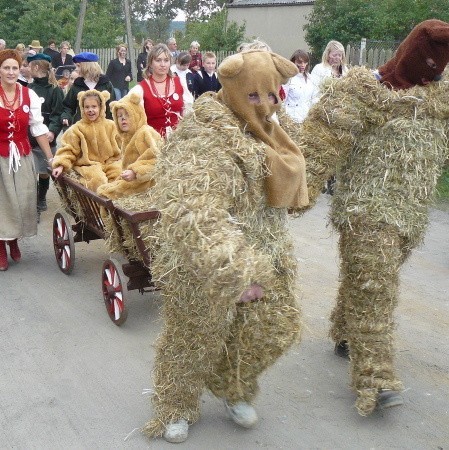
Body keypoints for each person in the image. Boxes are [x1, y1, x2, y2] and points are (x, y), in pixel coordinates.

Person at [142, 49, 308, 443]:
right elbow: (194, 211)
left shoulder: (272, 128)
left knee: (275, 327)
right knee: (194, 337)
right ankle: (176, 404)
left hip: (266, 248)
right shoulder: (204, 138)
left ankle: (234, 387)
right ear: (231, 88)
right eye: (253, 96)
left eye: (270, 96)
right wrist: (238, 270)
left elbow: (307, 162)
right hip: (207, 260)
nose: (265, 106)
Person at [297, 19, 449, 416]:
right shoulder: (363, 91)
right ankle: (375, 378)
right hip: (366, 210)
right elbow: (319, 142)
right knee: (374, 284)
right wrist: (300, 190)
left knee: (371, 282)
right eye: (427, 64)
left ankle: (346, 331)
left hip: (410, 216)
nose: (432, 75)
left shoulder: (438, 101)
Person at [0, 49, 53, 271]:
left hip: (21, 155)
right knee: (2, 203)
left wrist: (50, 158)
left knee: (22, 200)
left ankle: (13, 239)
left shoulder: (28, 95)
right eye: (6, 67)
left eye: (14, 67)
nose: (11, 72)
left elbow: (38, 128)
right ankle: (2, 246)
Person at [52, 90, 121, 191]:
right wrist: (61, 165)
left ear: (101, 107)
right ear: (82, 108)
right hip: (88, 165)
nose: (90, 110)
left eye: (94, 106)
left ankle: (114, 205)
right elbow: (68, 149)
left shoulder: (111, 125)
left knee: (119, 175)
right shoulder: (76, 129)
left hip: (110, 162)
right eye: (87, 107)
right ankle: (98, 206)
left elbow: (123, 144)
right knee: (98, 180)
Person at [97, 93, 162, 199]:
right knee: (103, 189)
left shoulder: (145, 133)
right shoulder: (126, 138)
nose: (123, 119)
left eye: (127, 115)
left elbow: (157, 161)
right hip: (133, 181)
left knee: (107, 194)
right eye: (119, 116)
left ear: (136, 114)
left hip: (147, 183)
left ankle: (107, 215)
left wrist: (135, 172)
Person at [27, 53, 64, 216]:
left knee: (44, 170)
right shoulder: (29, 89)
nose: (27, 69)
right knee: (30, 172)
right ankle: (32, 203)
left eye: (29, 66)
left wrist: (53, 131)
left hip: (47, 136)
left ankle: (41, 198)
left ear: (35, 67)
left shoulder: (55, 90)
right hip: (30, 138)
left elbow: (58, 113)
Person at [127, 43, 184, 137]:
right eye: (158, 60)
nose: (163, 64)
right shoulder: (140, 89)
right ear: (150, 63)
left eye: (166, 60)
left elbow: (187, 113)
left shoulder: (179, 83)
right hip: (153, 144)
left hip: (178, 144)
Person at [61, 52, 115, 125]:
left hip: (102, 128)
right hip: (82, 127)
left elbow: (112, 106)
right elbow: (68, 106)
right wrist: (66, 117)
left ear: (87, 66)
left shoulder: (106, 84)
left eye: (78, 66)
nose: (76, 69)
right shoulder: (77, 85)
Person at [282, 49, 314, 123]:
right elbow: (283, 100)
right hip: (291, 119)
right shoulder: (288, 78)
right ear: (293, 62)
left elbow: (314, 98)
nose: (303, 65)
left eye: (305, 62)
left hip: (306, 119)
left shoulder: (310, 78)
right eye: (299, 62)